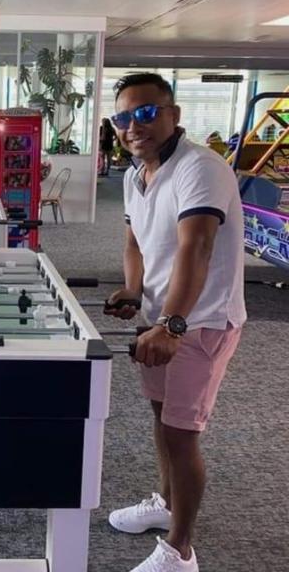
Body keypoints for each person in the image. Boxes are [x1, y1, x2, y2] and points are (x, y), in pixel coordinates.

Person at [104, 73, 246, 572]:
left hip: (199, 323)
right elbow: (135, 243)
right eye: (123, 117)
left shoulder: (199, 168)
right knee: (161, 417)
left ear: (173, 114)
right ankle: (165, 505)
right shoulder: (134, 176)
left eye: (146, 113)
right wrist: (134, 289)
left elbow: (197, 246)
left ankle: (180, 551)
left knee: (182, 434)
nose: (133, 125)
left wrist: (172, 324)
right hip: (161, 319)